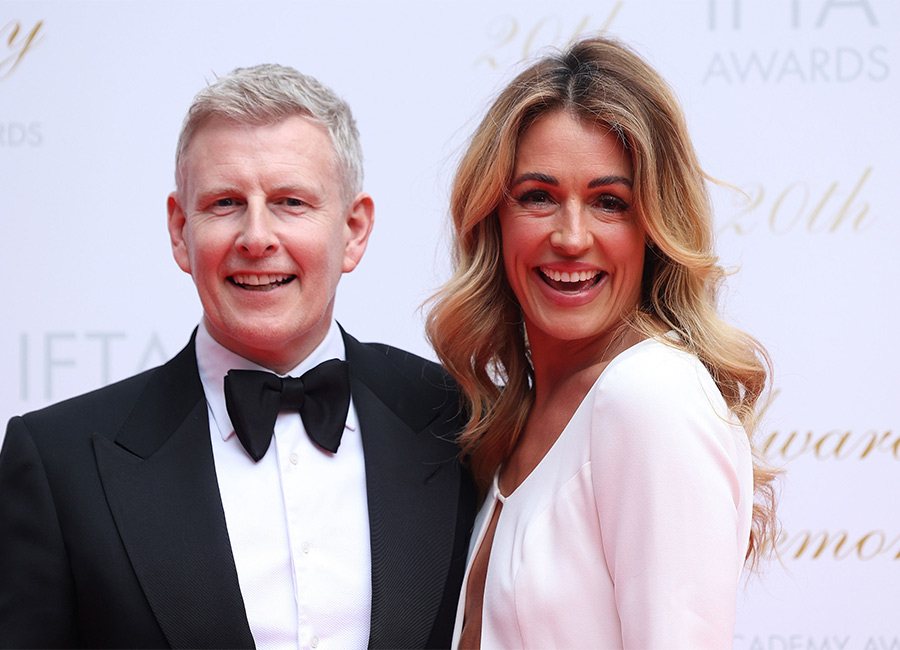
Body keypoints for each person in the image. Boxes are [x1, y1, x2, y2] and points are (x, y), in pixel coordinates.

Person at [0, 64, 476, 649]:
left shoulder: (464, 421)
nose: (256, 237)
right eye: (225, 203)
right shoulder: (59, 463)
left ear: (353, 230)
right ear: (180, 230)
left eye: (290, 202)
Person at [426, 36, 779, 649]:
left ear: (653, 227)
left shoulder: (651, 395)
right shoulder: (518, 418)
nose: (570, 235)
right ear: (494, 217)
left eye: (609, 203)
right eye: (538, 196)